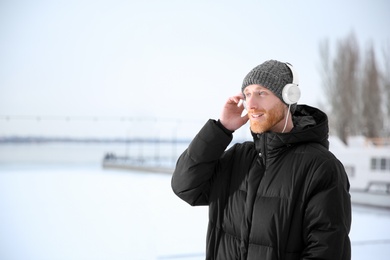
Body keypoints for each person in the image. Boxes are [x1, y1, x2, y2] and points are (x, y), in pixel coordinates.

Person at [171, 59, 351, 260]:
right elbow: (185, 187)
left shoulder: (321, 167)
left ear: (289, 97)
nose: (251, 105)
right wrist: (221, 129)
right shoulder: (237, 157)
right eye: (247, 94)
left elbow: (326, 251)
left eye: (261, 93)